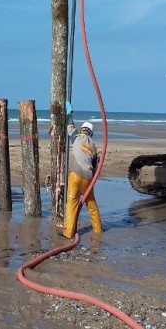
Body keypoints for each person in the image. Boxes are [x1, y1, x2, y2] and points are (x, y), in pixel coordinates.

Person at [62, 101, 103, 239]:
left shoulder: (76, 137)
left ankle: (68, 234)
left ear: (83, 130)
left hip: (75, 175)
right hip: (88, 178)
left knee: (71, 203)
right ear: (91, 133)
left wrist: (69, 112)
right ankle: (98, 230)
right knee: (91, 205)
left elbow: (69, 125)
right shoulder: (94, 146)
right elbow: (96, 166)